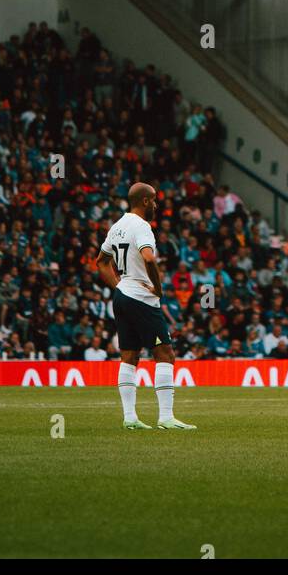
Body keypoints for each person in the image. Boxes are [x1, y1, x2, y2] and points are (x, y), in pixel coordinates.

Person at [96, 181, 195, 432]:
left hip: (122, 295)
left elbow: (101, 261)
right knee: (165, 354)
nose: (157, 205)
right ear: (145, 201)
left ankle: (130, 417)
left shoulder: (117, 226)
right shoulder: (142, 227)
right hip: (141, 296)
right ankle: (166, 417)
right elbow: (149, 258)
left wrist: (118, 285)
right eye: (154, 200)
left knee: (129, 356)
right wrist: (158, 289)